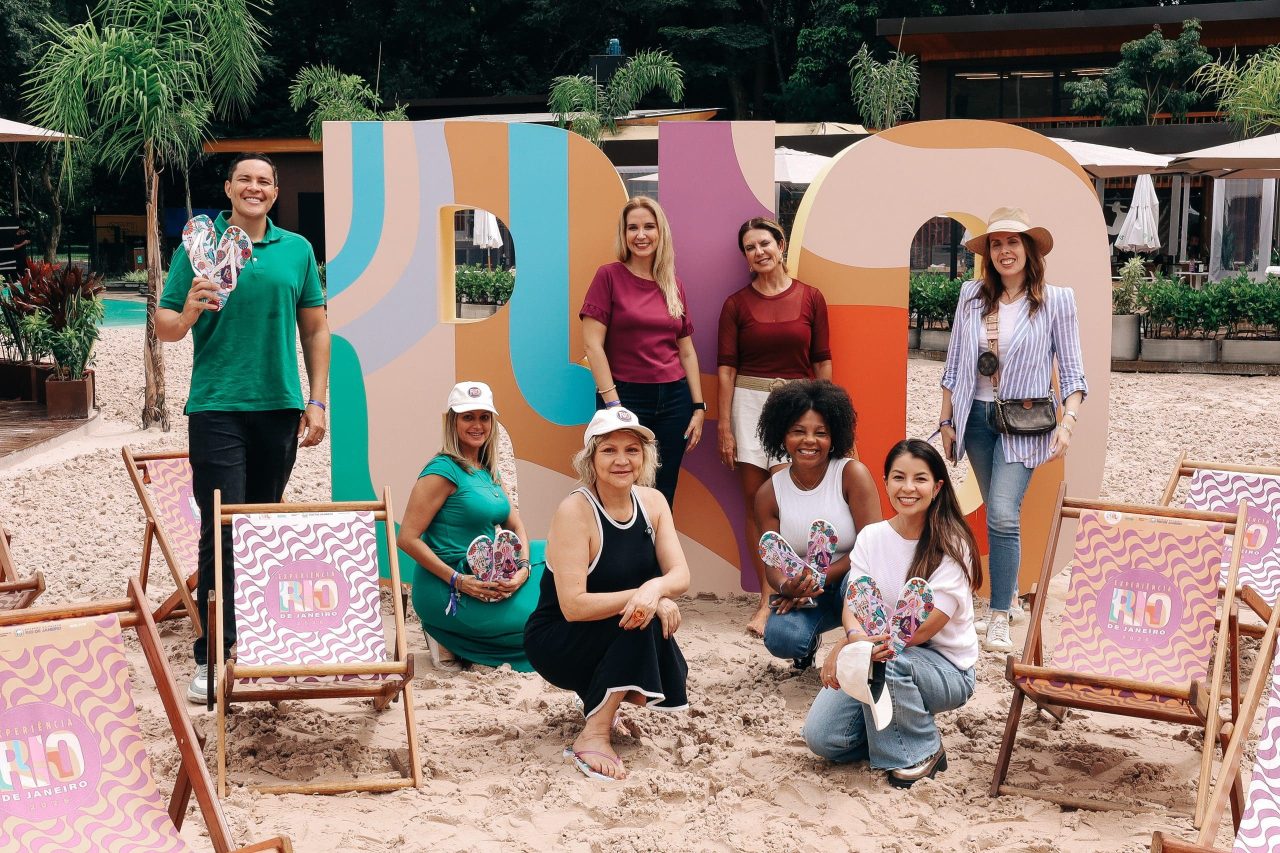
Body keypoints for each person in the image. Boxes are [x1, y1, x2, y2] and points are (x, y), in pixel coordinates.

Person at [155, 152, 330, 704]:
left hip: (278, 406)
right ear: (229, 188)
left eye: (264, 181)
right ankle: (213, 654)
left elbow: (316, 329)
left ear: (275, 193)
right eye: (244, 179)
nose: (254, 188)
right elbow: (164, 326)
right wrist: (186, 314)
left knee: (262, 530)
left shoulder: (296, 250)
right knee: (222, 528)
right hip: (216, 407)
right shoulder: (199, 249)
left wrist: (317, 400)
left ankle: (257, 643)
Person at [938, 207, 1086, 654]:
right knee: (998, 514)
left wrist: (1068, 422)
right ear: (988, 254)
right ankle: (1010, 597)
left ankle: (999, 614)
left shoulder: (1056, 300)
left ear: (1029, 250)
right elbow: (954, 363)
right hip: (976, 418)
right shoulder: (970, 295)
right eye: (996, 244)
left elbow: (1074, 371)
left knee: (1002, 513)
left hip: (1025, 423)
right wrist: (946, 419)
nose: (1004, 251)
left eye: (1012, 243)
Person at [525, 407, 691, 781]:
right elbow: (572, 607)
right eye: (609, 450)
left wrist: (655, 590)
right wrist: (647, 598)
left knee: (645, 613)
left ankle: (604, 701)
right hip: (557, 639)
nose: (622, 460)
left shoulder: (653, 503)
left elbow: (680, 574)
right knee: (641, 617)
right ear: (590, 459)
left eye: (632, 450)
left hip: (607, 626)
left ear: (644, 457)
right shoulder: (575, 510)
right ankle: (594, 734)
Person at [803, 439, 981, 787]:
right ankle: (890, 726)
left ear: (937, 487)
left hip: (943, 668)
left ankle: (922, 750)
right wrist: (853, 639)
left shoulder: (953, 544)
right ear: (885, 482)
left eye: (920, 479)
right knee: (822, 738)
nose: (908, 488)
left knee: (890, 659)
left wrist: (845, 649)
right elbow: (854, 603)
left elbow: (920, 632)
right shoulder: (872, 537)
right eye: (898, 478)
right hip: (876, 650)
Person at [717, 217, 832, 637]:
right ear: (745, 257)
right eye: (750, 247)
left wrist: (826, 419)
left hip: (798, 408)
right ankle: (767, 598)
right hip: (747, 404)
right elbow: (726, 370)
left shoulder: (811, 298)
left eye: (765, 243)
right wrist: (725, 428)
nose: (759, 251)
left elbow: (822, 363)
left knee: (793, 506)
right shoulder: (735, 304)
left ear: (780, 244)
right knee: (757, 505)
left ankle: (797, 590)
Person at [396, 381, 543, 670]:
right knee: (539, 622)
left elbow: (516, 525)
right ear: (452, 421)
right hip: (449, 586)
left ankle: (464, 640)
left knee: (554, 557)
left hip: (490, 573)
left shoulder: (487, 468)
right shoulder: (442, 470)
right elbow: (407, 538)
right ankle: (444, 634)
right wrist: (458, 580)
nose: (477, 425)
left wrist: (523, 570)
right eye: (468, 417)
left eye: (484, 417)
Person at [580, 196, 706, 510]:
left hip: (674, 401)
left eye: (649, 226)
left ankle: (658, 560)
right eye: (632, 227)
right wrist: (614, 405)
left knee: (663, 491)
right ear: (623, 235)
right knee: (619, 489)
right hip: (623, 396)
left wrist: (699, 407)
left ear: (660, 232)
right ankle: (620, 558)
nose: (641, 234)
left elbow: (686, 351)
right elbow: (592, 345)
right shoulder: (608, 276)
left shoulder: (672, 284)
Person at [754, 380, 881, 669]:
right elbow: (772, 563)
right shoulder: (769, 493)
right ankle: (808, 646)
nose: (809, 441)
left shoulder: (852, 475)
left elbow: (873, 546)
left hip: (852, 582)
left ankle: (862, 652)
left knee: (861, 583)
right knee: (781, 639)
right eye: (798, 431)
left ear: (834, 436)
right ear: (782, 436)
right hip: (808, 595)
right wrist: (789, 587)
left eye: (820, 433)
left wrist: (821, 578)